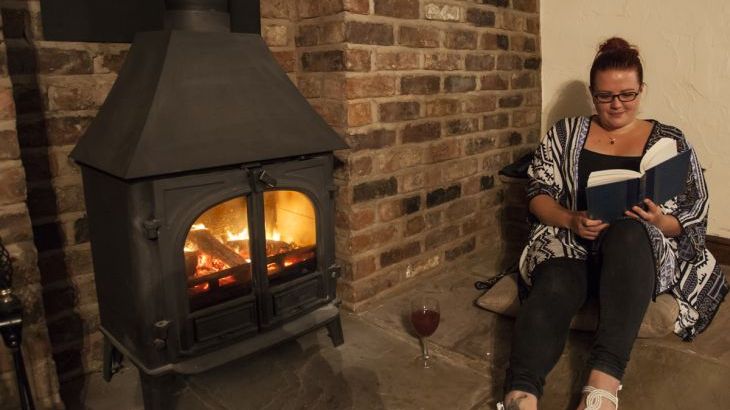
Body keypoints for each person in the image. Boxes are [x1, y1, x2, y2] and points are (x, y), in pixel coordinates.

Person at [499, 37, 729, 410]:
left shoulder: (668, 140)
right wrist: (571, 219)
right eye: (605, 96)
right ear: (593, 94)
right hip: (572, 240)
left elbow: (693, 213)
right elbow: (538, 193)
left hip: (634, 248)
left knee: (628, 232)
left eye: (627, 94)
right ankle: (521, 394)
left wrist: (660, 221)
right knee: (554, 283)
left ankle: (603, 381)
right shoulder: (565, 133)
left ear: (642, 90)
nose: (617, 104)